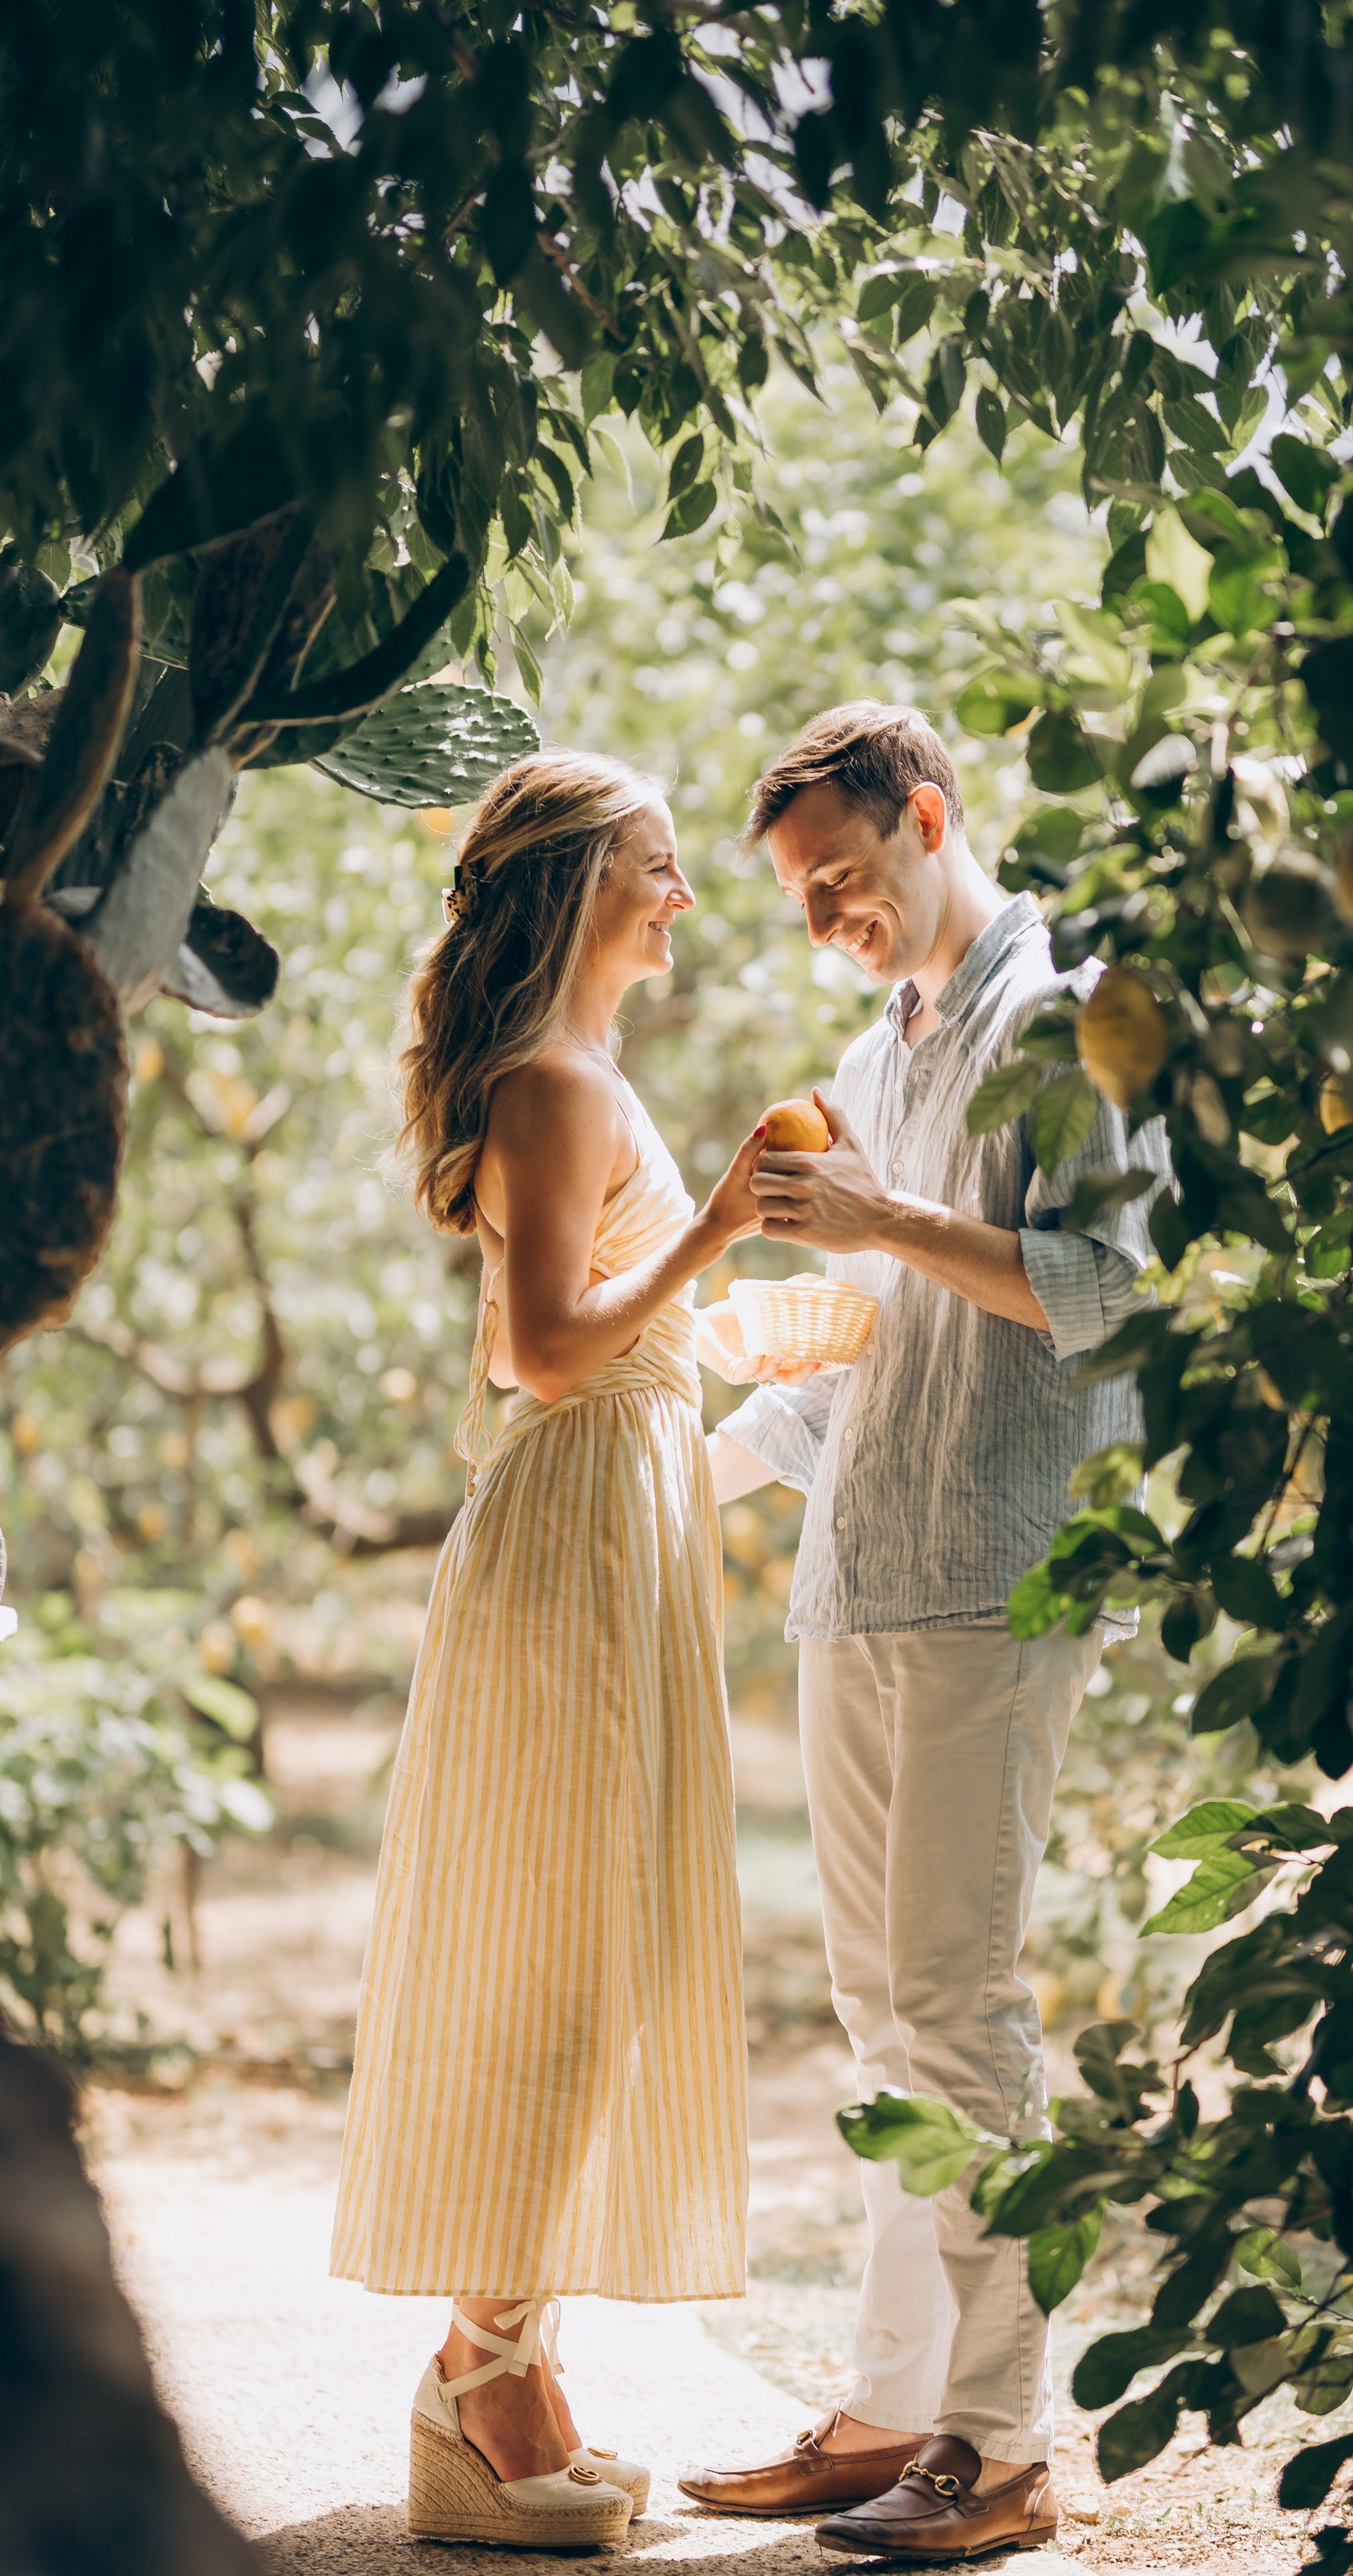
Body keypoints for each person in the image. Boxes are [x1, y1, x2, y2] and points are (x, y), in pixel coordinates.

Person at [678, 702, 1167, 2563]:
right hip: (861, 1573)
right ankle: (890, 2413)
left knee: (963, 2008)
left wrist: (888, 1218)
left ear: (932, 822)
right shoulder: (878, 1054)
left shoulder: (1069, 1023)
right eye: (804, 900)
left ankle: (1002, 2442)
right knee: (880, 2018)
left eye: (844, 880)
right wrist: (683, 1470)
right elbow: (877, 1343)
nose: (829, 921)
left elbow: (1113, 1299)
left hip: (1001, 1569)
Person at [331, 751, 767, 2553]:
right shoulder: (549, 1079)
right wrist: (726, 1230)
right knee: (562, 1963)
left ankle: (508, 2361)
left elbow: (612, 1336)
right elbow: (546, 1347)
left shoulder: (585, 1079)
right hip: (578, 1529)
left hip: (620, 1519)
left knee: (597, 1951)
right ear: (575, 886)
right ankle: (481, 2376)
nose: (681, 898)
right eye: (655, 868)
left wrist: (753, 1335)